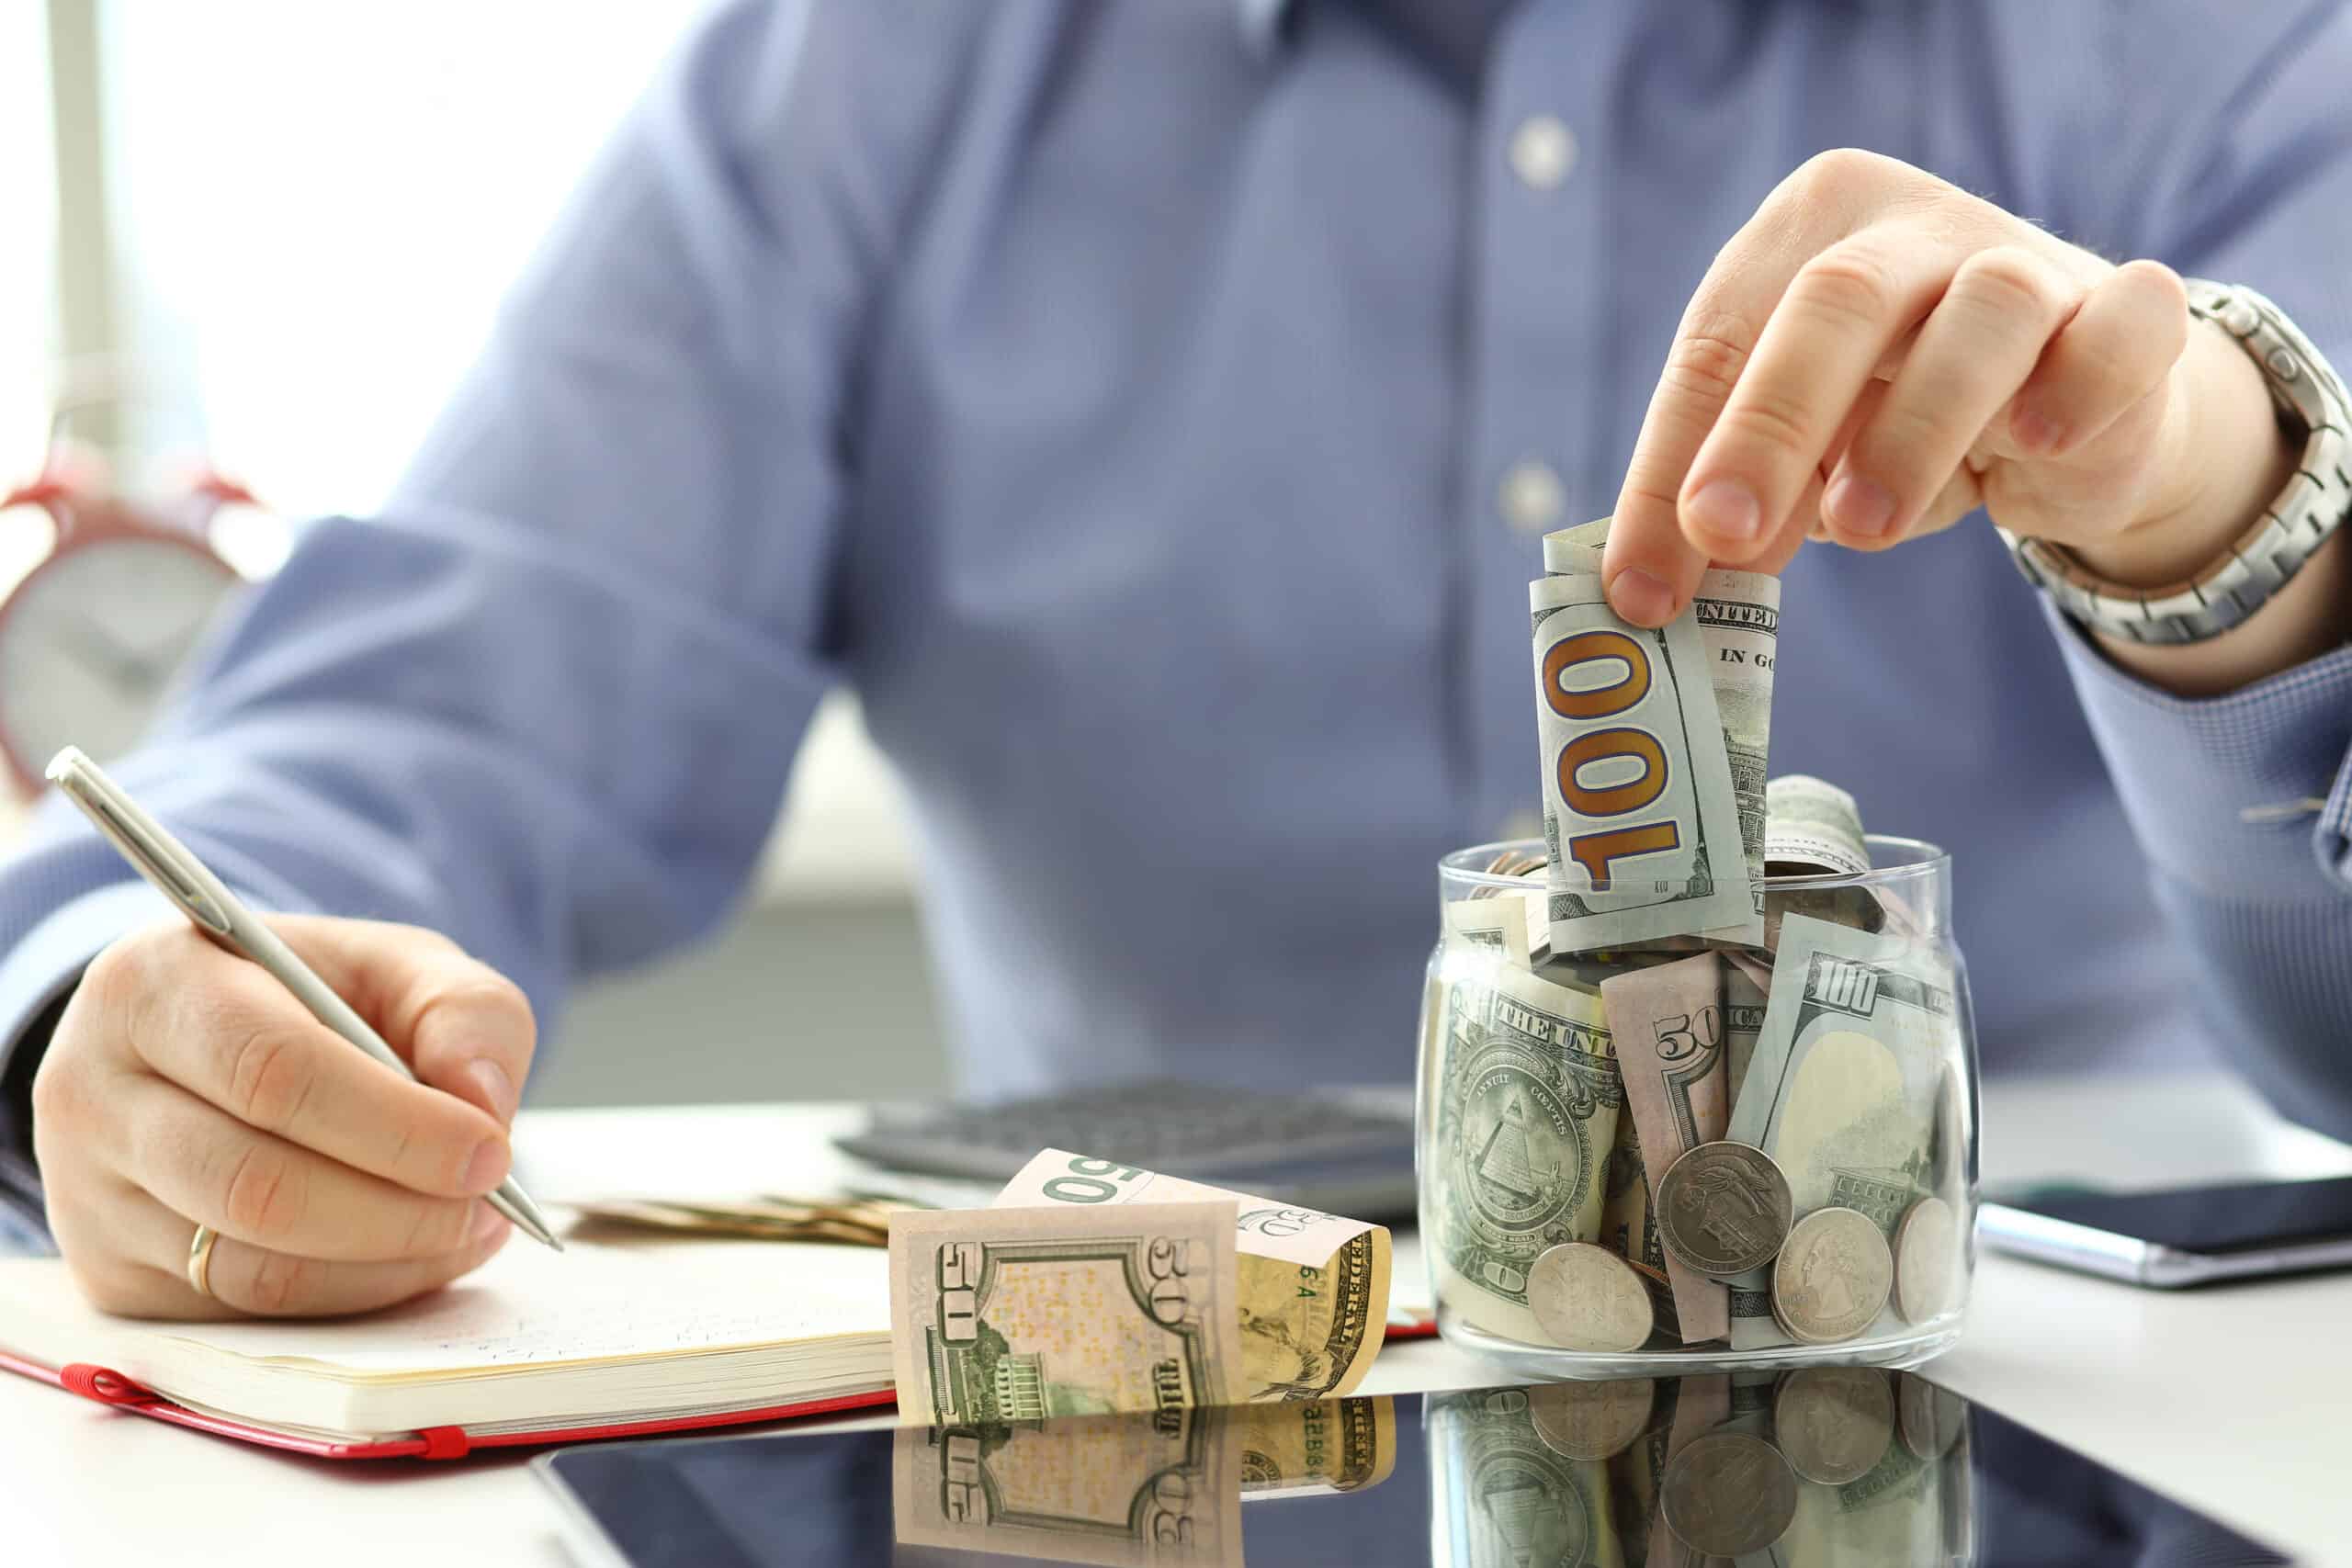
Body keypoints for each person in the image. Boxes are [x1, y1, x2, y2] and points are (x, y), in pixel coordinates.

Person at [0, 0, 2346, 1316]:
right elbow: (424, 712)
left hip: (2009, 1359)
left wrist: (2235, 526)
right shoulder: (863, 78)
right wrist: (112, 1015)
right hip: (1154, 1402)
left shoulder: (2198, 46)